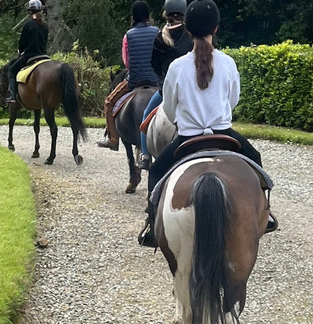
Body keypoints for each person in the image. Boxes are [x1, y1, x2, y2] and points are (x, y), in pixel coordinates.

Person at [137, 0, 275, 246]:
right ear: (216, 29)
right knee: (256, 160)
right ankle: (266, 213)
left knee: (156, 172)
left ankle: (151, 225)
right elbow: (233, 100)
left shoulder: (176, 67)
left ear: (188, 30)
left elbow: (168, 108)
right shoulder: (229, 63)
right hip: (224, 133)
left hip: (187, 138)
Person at [97, 1, 161, 151]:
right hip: (155, 80)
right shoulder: (157, 32)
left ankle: (113, 139)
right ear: (148, 16)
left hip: (135, 80)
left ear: (133, 17)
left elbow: (127, 63)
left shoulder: (128, 36)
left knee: (109, 102)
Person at [137, 0, 192, 169]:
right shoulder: (190, 35)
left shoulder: (160, 37)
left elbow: (154, 64)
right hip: (188, 90)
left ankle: (145, 155)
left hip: (166, 90)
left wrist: (162, 78)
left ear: (166, 13)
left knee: (146, 117)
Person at [5, 0, 49, 104]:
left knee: (11, 70)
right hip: (43, 55)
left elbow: (22, 42)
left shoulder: (28, 25)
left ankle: (12, 96)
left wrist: (21, 51)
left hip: (30, 55)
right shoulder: (45, 26)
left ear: (30, 12)